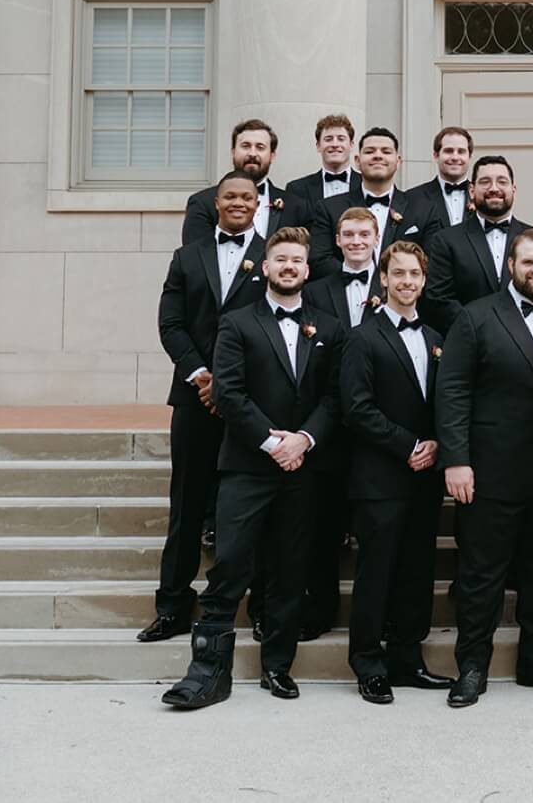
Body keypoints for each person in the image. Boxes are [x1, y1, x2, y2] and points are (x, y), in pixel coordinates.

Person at [161, 227, 348, 711]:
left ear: (308, 271)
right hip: (247, 466)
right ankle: (207, 672)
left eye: (297, 261)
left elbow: (334, 397)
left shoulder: (329, 327)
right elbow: (229, 392)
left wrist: (303, 440)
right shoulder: (237, 323)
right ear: (265, 267)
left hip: (302, 468)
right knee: (231, 566)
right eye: (280, 259)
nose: (288, 267)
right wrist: (272, 442)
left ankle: (277, 667)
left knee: (290, 571)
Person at [435, 228, 533, 708]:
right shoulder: (476, 317)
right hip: (491, 470)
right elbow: (452, 390)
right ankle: (472, 666)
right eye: (528, 263)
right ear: (511, 267)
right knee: (481, 574)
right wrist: (456, 460)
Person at [141, 170, 268, 644]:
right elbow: (171, 323)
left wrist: (230, 384)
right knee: (187, 505)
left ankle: (259, 607)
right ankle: (172, 607)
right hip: (195, 398)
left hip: (250, 402)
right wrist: (202, 375)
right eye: (230, 196)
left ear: (259, 205)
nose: (239, 202)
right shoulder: (187, 257)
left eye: (247, 197)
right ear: (216, 203)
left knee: (252, 509)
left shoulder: (271, 256)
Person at [340, 241, 457, 703]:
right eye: (399, 274)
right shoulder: (361, 337)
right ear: (383, 279)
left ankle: (408, 659)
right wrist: (406, 445)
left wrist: (436, 445)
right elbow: (356, 408)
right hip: (379, 477)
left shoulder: (436, 339)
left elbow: (444, 403)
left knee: (416, 570)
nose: (407, 282)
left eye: (415, 274)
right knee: (376, 572)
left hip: (424, 476)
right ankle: (367, 663)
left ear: (424, 282)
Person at [297, 206, 385, 639]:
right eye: (347, 234)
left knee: (375, 525)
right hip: (329, 419)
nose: (355, 241)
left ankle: (377, 618)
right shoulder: (315, 289)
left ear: (375, 237)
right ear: (336, 239)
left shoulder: (395, 284)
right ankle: (320, 610)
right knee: (323, 523)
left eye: (363, 234)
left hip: (378, 418)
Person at [421, 154, 529, 333]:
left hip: (525, 343)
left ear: (513, 189)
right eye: (485, 182)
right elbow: (438, 298)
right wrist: (479, 329)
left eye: (502, 182)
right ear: (471, 190)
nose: (494, 188)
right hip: (468, 342)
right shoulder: (446, 240)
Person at [310, 126, 423, 276]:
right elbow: (320, 259)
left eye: (386, 151)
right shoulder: (328, 208)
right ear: (357, 160)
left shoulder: (422, 208)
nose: (378, 156)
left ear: (398, 161)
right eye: (370, 151)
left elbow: (429, 261)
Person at [181, 118, 313, 245]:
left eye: (260, 147)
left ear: (272, 155)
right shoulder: (202, 203)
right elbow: (195, 258)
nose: (252, 153)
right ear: (233, 152)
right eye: (245, 146)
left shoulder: (297, 207)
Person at [399, 125, 474, 238]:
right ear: (436, 156)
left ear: (469, 157)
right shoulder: (413, 198)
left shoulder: (483, 196)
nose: (455, 157)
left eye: (461, 151)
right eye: (448, 151)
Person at [287, 113, 362, 204]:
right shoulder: (297, 189)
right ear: (318, 146)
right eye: (328, 139)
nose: (335, 144)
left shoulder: (367, 184)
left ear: (351, 145)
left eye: (341, 139)